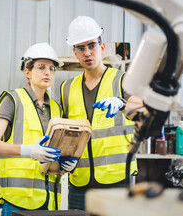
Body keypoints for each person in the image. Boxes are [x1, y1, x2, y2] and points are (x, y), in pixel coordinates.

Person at [60, 16, 144, 210]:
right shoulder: (66, 88)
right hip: (79, 182)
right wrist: (62, 157)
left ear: (102, 46)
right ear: (74, 53)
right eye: (80, 48)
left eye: (92, 45)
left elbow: (145, 114)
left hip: (116, 180)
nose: (87, 52)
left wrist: (122, 103)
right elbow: (64, 133)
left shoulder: (123, 80)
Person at [0, 42, 77, 216]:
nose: (47, 72)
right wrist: (29, 151)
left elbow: (55, 150)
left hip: (49, 201)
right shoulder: (12, 100)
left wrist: (67, 164)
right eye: (41, 67)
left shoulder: (56, 109)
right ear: (27, 72)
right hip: (17, 201)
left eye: (51, 68)